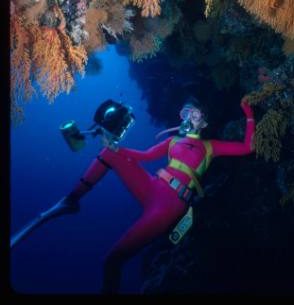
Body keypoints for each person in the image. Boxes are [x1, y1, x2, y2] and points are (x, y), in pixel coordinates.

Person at [47, 95, 256, 294]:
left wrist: (248, 113)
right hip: (151, 187)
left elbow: (248, 147)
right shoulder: (172, 141)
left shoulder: (210, 147)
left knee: (112, 260)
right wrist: (116, 148)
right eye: (186, 113)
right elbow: (145, 156)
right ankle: (71, 200)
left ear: (204, 124)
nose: (189, 117)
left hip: (169, 205)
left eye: (195, 114)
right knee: (109, 153)